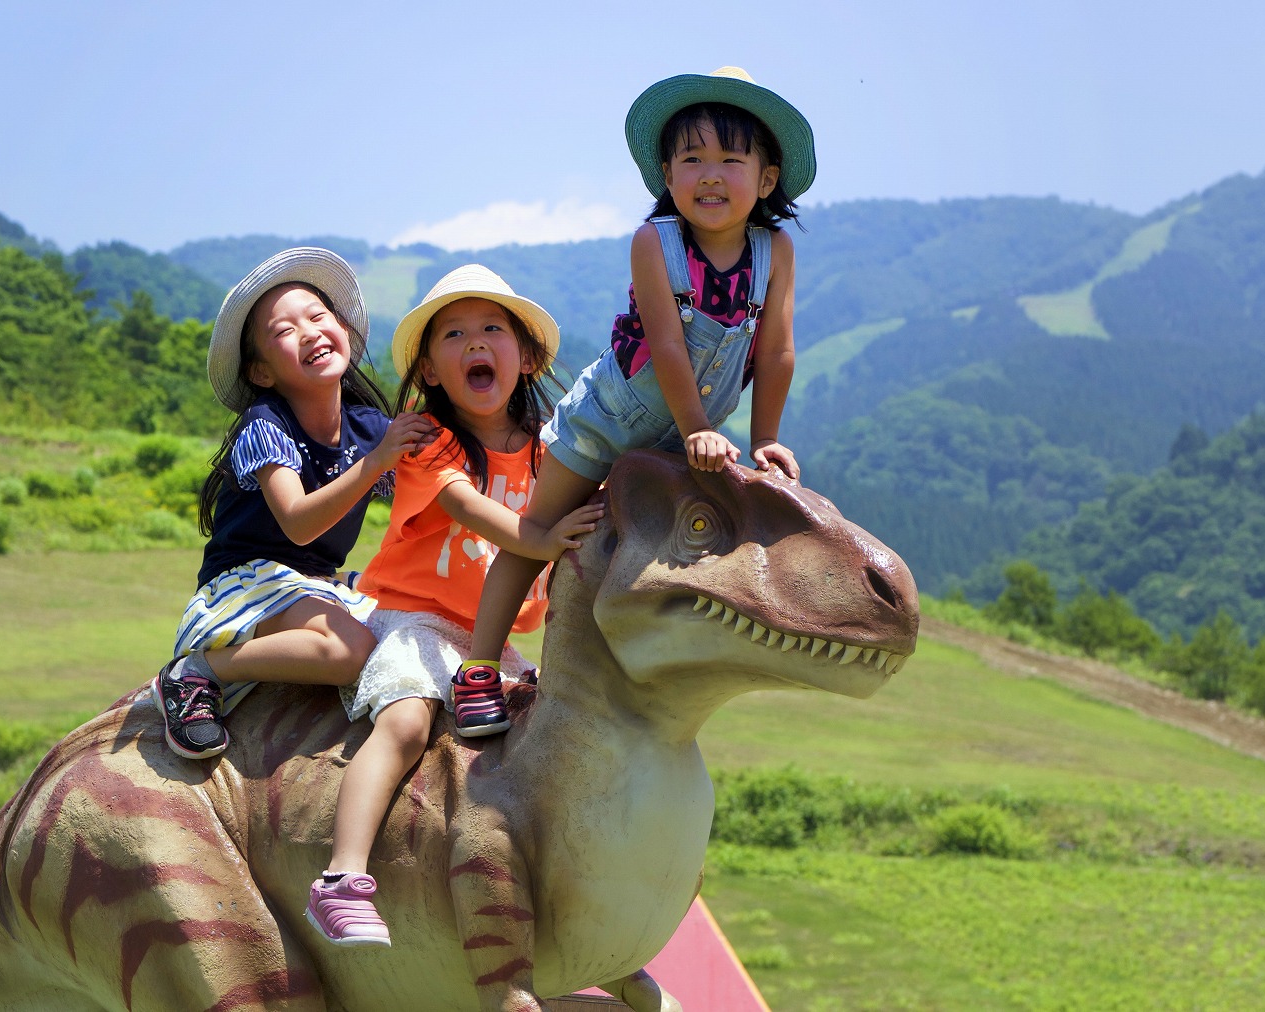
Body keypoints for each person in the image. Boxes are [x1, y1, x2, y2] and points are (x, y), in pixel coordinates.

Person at [455, 66, 815, 733]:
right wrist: (701, 427)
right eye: (691, 158)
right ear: (666, 175)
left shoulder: (776, 251)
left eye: (731, 159)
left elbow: (776, 350)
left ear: (766, 179)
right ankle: (477, 670)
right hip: (607, 422)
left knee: (673, 552)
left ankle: (630, 687)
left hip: (691, 434)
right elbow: (670, 346)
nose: (710, 174)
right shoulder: (656, 242)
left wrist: (765, 436)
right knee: (535, 534)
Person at [304, 265, 604, 947]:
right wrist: (544, 538)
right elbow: (467, 508)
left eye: (492, 328)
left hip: (488, 640)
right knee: (407, 722)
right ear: (432, 371)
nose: (476, 342)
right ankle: (341, 878)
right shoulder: (429, 444)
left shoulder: (550, 448)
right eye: (455, 334)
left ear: (524, 358)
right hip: (415, 617)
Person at [153, 247, 434, 760]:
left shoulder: (369, 426)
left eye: (318, 316)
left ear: (342, 330)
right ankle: (199, 671)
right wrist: (376, 463)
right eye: (283, 331)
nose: (307, 332)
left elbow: (434, 490)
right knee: (350, 651)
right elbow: (299, 523)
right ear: (261, 372)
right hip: (248, 582)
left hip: (316, 584)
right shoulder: (267, 424)